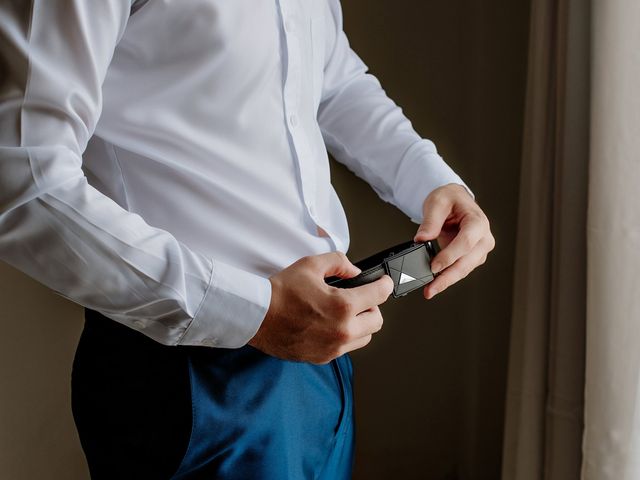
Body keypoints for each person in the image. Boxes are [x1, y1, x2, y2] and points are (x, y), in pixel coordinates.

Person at [0, 0, 495, 478]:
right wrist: (255, 312)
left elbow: (331, 80)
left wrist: (431, 181)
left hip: (320, 352)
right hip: (193, 380)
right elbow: (23, 177)